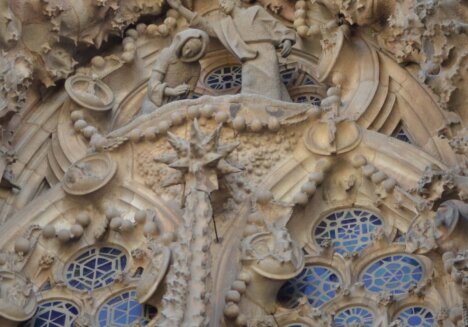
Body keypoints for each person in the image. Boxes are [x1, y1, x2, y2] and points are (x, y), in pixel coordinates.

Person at [167, 0, 296, 101]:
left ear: (234, 1)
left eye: (224, 1)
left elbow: (275, 25)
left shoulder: (255, 11)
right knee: (251, 86)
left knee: (271, 87)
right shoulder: (227, 25)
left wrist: (287, 39)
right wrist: (179, 8)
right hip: (248, 59)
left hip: (265, 52)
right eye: (220, 4)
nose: (222, 5)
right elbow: (204, 25)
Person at [141, 28, 209, 114]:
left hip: (175, 107)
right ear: (183, 43)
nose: (187, 53)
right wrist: (172, 91)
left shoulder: (195, 68)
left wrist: (184, 91)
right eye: (187, 48)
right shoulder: (167, 54)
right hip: (154, 104)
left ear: (197, 54)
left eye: (192, 52)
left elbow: (189, 97)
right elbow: (153, 84)